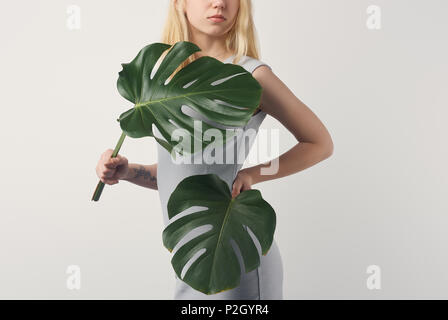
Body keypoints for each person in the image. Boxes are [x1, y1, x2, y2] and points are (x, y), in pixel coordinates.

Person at [95, 0, 334, 299]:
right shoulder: (165, 82)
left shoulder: (249, 75)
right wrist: (129, 172)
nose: (219, 2)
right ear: (180, 3)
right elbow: (186, 177)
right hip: (191, 258)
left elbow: (320, 142)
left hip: (234, 254)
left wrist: (252, 175)